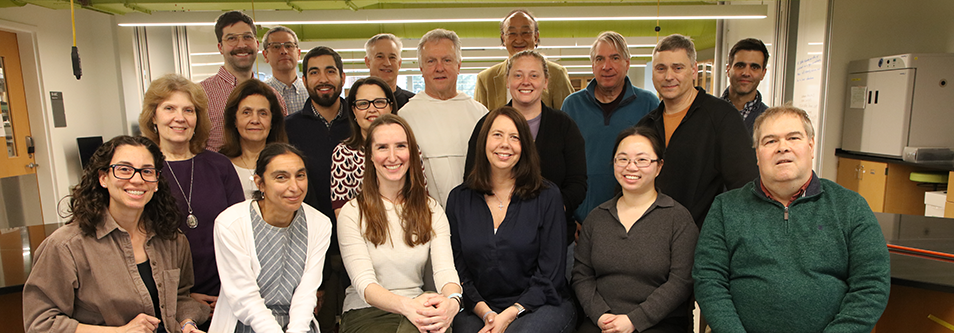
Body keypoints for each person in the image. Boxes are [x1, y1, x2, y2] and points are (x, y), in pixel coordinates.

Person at [693, 105, 890, 332]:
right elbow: (709, 280)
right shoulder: (725, 208)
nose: (782, 148)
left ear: (811, 146)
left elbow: (872, 285)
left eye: (793, 137)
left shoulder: (850, 207)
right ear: (757, 154)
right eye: (770, 141)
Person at [23, 135, 208, 333]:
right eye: (124, 170)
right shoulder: (65, 246)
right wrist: (120, 331)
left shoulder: (172, 239)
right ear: (103, 178)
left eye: (147, 171)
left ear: (155, 182)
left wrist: (186, 323)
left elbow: (179, 296)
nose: (137, 179)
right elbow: (41, 323)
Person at [448, 107, 576, 333]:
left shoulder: (547, 196)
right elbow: (459, 271)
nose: (505, 143)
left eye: (515, 137)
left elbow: (551, 274)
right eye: (497, 134)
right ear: (483, 141)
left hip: (541, 304)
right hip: (480, 307)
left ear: (525, 147)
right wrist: (486, 313)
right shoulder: (459, 198)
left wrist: (508, 314)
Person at [337, 114, 462, 333]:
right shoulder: (352, 212)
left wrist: (452, 302)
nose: (393, 156)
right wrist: (408, 307)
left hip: (419, 306)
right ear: (370, 155)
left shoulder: (432, 209)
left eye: (401, 146)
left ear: (412, 153)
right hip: (366, 312)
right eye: (382, 147)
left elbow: (445, 271)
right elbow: (365, 286)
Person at [139, 74, 246, 326]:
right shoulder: (142, 171)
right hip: (165, 299)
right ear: (153, 117)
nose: (180, 117)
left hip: (226, 294)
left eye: (189, 110)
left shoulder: (219, 166)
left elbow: (242, 234)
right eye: (169, 108)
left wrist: (229, 291)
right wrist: (183, 298)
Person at [572, 127, 697, 333]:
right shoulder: (597, 217)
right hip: (601, 322)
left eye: (642, 160)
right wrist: (601, 316)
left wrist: (634, 320)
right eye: (622, 159)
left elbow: (681, 281)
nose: (631, 167)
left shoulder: (678, 218)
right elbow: (581, 275)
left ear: (659, 167)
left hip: (659, 323)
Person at [465, 49, 586, 246]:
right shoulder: (487, 125)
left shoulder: (564, 126)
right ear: (507, 81)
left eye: (534, 75)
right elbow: (473, 178)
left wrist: (548, 211)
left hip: (554, 237)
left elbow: (577, 184)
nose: (525, 81)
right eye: (518, 75)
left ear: (546, 82)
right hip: (497, 240)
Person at [637, 33, 757, 227]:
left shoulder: (722, 117)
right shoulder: (645, 126)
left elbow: (744, 187)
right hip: (652, 239)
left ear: (693, 71)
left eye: (678, 68)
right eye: (661, 68)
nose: (668, 76)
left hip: (703, 240)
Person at [210, 142, 332, 332]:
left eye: (300, 176)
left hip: (297, 324)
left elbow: (307, 293)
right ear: (260, 183)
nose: (294, 187)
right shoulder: (230, 223)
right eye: (281, 177)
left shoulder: (320, 224)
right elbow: (245, 298)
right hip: (246, 323)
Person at [284, 45, 352, 333]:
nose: (323, 78)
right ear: (304, 79)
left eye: (330, 71)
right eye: (314, 72)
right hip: (309, 243)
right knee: (319, 322)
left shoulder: (359, 120)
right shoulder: (289, 127)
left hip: (358, 237)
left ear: (342, 77)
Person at [562, 31, 659, 223]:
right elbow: (563, 166)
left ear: (627, 63)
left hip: (637, 219)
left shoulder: (649, 104)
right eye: (600, 59)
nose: (606, 66)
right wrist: (571, 218)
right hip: (583, 220)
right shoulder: (572, 105)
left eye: (615, 58)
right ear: (593, 65)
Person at [400, 28, 488, 207]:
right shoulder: (404, 117)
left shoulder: (480, 114)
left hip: (475, 211)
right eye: (431, 61)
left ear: (459, 65)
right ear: (421, 68)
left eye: (447, 60)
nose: (439, 68)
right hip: (424, 215)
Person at [201, 11, 287, 151]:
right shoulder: (200, 95)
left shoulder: (274, 96)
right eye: (231, 38)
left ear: (257, 44)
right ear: (220, 47)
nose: (241, 44)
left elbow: (280, 141)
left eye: (247, 37)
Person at [474, 9, 574, 110]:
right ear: (503, 38)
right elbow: (480, 122)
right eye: (512, 33)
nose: (519, 39)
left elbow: (569, 117)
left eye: (525, 33)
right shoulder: (486, 79)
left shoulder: (557, 74)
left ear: (536, 37)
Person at [331, 76, 398, 216]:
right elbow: (342, 214)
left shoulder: (410, 149)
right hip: (362, 234)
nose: (372, 109)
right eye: (363, 104)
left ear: (391, 107)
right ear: (354, 110)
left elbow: (420, 200)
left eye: (379, 102)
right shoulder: (343, 153)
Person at [220, 78, 289, 199]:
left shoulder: (288, 163)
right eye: (246, 112)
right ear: (234, 120)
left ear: (272, 121)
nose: (255, 120)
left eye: (263, 113)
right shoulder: (219, 166)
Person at [721, 38, 771, 135]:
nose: (746, 73)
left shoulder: (771, 120)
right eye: (740, 65)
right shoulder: (707, 113)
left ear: (763, 73)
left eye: (754, 67)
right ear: (728, 69)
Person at [263, 26, 309, 113]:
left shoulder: (312, 91)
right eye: (276, 46)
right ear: (265, 55)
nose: (284, 51)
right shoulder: (259, 93)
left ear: (298, 53)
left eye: (289, 46)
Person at [365, 33, 415, 110]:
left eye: (392, 57)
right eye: (380, 57)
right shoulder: (353, 103)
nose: (387, 63)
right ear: (368, 62)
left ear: (399, 63)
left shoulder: (413, 103)